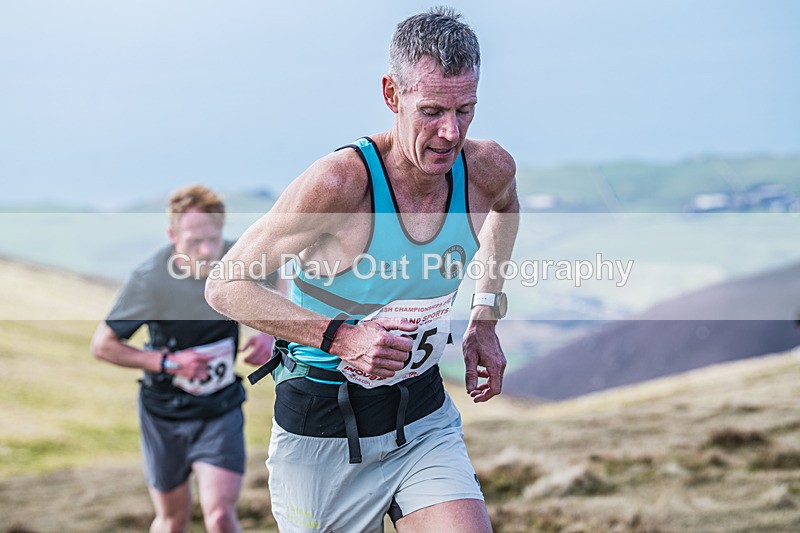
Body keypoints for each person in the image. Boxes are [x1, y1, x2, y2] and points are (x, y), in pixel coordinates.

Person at [205, 7, 518, 533]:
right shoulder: (340, 185)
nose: (450, 133)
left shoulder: (487, 168)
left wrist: (484, 316)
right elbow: (224, 285)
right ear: (392, 95)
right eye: (432, 110)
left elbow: (507, 210)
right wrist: (341, 337)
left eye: (466, 110)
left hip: (422, 421)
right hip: (321, 431)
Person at [90, 184, 276, 533]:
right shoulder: (150, 281)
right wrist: (170, 363)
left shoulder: (236, 259)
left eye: (213, 239)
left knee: (220, 516)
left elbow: (283, 277)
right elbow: (103, 345)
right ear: (172, 235)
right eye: (194, 242)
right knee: (172, 520)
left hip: (219, 410)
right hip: (164, 414)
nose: (207, 251)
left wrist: (269, 332)